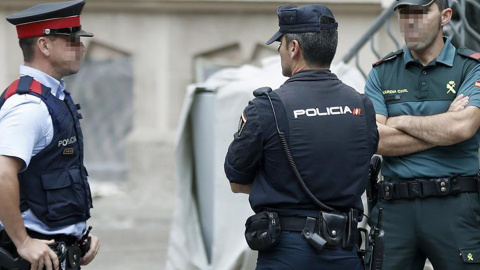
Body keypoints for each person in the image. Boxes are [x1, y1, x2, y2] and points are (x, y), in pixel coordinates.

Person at [224, 4, 379, 270]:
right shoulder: (361, 107)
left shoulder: (266, 108)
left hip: (287, 253)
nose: (280, 51)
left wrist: (277, 181)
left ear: (294, 48)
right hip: (345, 252)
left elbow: (237, 182)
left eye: (281, 44)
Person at [364, 0, 480, 269]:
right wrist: (443, 127)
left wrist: (398, 120)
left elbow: (462, 127)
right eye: (405, 13)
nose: (410, 20)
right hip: (394, 210)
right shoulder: (382, 71)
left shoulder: (470, 67)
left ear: (445, 16)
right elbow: (376, 139)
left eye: (421, 11)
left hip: (455, 206)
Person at [0, 1, 100, 270]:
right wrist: (22, 242)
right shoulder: (29, 106)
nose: (81, 47)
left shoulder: (55, 96)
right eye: (72, 39)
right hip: (32, 257)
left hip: (56, 252)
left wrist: (78, 234)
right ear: (44, 45)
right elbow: (2, 173)